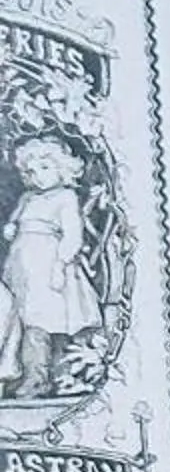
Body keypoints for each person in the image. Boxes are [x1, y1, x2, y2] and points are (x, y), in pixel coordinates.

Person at [0, 135, 99, 396]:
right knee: (19, 319)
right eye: (32, 171)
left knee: (45, 320)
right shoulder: (28, 198)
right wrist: (11, 227)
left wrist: (60, 265)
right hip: (22, 266)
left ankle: (44, 378)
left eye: (45, 168)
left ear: (63, 167)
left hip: (50, 265)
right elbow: (15, 221)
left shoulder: (66, 197)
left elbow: (73, 236)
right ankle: (24, 373)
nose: (38, 176)